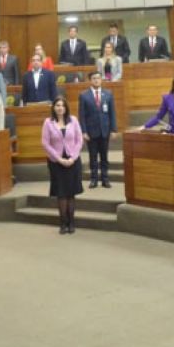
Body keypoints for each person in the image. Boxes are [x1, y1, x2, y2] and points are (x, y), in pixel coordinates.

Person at [41, 96, 84, 234]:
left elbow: (79, 140)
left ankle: (72, 222)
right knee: (61, 194)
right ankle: (63, 223)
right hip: (56, 162)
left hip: (73, 161)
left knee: (71, 194)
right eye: (57, 105)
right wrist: (59, 159)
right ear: (53, 107)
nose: (60, 108)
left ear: (66, 108)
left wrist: (73, 157)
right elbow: (45, 143)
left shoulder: (74, 120)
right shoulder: (48, 122)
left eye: (62, 105)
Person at [78, 71, 116, 188]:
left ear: (101, 80)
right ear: (90, 80)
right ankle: (94, 179)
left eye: (98, 78)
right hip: (91, 131)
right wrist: (83, 131)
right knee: (93, 156)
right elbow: (82, 115)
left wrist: (113, 129)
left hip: (104, 130)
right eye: (94, 78)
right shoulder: (84, 95)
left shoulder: (108, 94)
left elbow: (112, 113)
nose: (96, 80)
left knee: (104, 156)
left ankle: (105, 179)